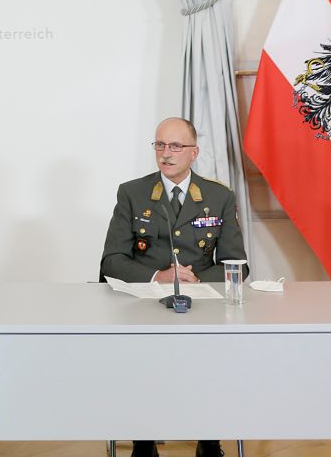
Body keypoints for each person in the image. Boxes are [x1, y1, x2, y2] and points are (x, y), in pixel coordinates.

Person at [100, 115, 247, 457]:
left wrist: (195, 281)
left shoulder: (218, 196)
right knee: (142, 363)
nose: (166, 153)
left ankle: (209, 439)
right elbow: (111, 261)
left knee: (210, 362)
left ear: (194, 152)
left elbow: (236, 264)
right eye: (160, 145)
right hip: (144, 306)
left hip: (201, 307)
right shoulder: (133, 193)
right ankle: (143, 440)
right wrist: (158, 277)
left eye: (176, 146)